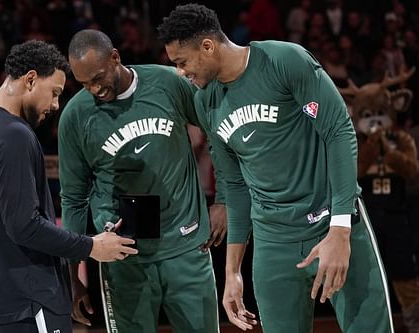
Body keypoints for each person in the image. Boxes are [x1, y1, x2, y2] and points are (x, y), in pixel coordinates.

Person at [157, 3, 394, 333]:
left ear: (208, 46)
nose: (180, 72)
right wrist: (233, 272)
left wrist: (340, 228)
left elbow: (338, 130)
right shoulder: (205, 101)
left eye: (181, 62)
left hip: (332, 224)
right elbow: (235, 185)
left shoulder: (284, 60)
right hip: (273, 243)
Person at [0, 40, 137, 333]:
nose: (55, 105)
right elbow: (24, 226)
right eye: (54, 93)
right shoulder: (13, 135)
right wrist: (91, 246)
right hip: (31, 302)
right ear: (30, 79)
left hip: (1, 304)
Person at [58, 29, 226, 333]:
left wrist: (224, 199)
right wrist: (72, 278)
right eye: (84, 83)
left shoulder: (169, 83)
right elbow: (73, 199)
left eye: (98, 78)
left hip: (186, 246)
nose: (95, 89)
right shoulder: (75, 117)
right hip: (123, 256)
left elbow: (219, 134)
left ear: (115, 58)